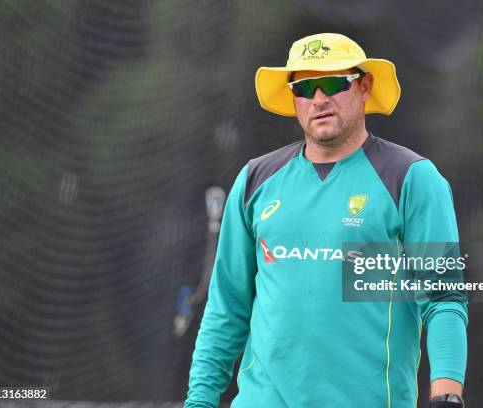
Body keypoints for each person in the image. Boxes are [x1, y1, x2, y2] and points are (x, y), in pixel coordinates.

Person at [184, 33, 467, 408]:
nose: (318, 98)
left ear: (364, 86)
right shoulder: (255, 179)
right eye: (304, 87)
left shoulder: (411, 177)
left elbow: (444, 298)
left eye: (334, 83)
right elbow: (226, 308)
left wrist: (447, 396)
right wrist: (198, 402)